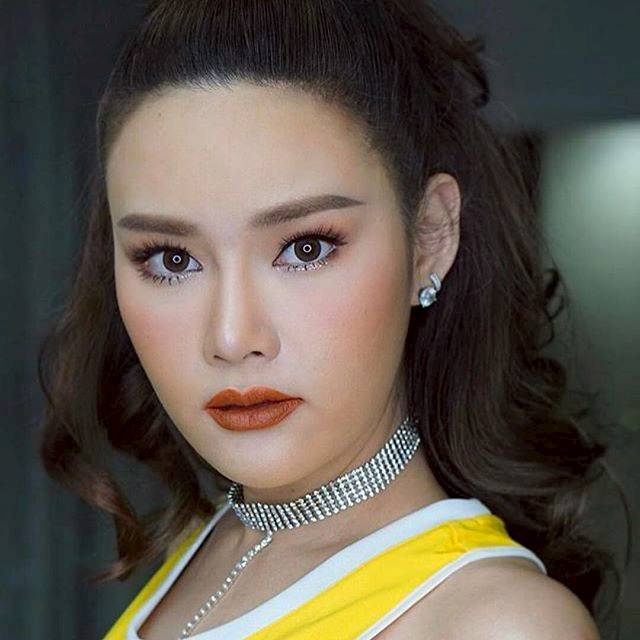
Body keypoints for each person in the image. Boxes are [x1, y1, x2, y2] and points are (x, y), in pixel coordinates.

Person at [37, 1, 623, 638]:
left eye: (305, 248)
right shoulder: (211, 549)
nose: (232, 338)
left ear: (429, 238)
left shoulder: (499, 624)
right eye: (171, 259)